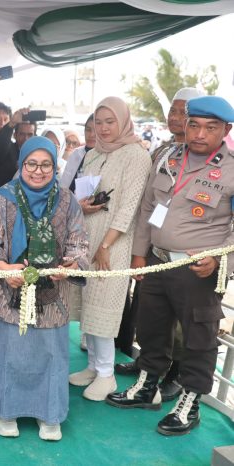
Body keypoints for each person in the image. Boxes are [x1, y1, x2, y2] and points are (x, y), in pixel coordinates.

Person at [106, 95, 234, 436]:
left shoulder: (233, 169)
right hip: (157, 263)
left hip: (198, 270)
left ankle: (190, 402)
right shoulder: (169, 157)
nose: (200, 134)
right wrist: (139, 255)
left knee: (198, 340)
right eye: (194, 125)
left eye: (211, 128)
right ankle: (147, 386)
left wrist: (222, 260)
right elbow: (149, 206)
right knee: (151, 327)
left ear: (226, 130)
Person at [0, 136, 89, 441]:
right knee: (10, 350)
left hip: (53, 294)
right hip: (8, 291)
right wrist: (2, 270)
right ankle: (6, 410)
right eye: (31, 164)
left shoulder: (67, 201)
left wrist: (71, 266)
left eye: (46, 165)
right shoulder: (1, 198)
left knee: (50, 352)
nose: (38, 171)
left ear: (55, 167)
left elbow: (79, 243)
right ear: (20, 164)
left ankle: (49, 413)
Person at [114, 87, 204, 403]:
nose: (175, 117)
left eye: (183, 112)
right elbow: (149, 201)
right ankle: (148, 366)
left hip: (190, 259)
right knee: (151, 314)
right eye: (173, 111)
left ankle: (175, 377)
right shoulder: (163, 151)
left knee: (182, 323)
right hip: (155, 247)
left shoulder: (211, 158)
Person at [68, 96, 151, 401]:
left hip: (113, 244)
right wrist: (82, 207)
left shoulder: (136, 156)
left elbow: (129, 207)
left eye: (109, 121)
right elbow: (82, 194)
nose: (103, 129)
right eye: (98, 122)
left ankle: (107, 374)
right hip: (86, 239)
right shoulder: (92, 154)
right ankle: (93, 366)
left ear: (123, 121)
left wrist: (105, 245)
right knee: (88, 303)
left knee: (104, 306)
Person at [0, 108, 36, 190]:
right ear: (15, 135)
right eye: (22, 134)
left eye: (30, 135)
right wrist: (12, 123)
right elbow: (1, 144)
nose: (26, 138)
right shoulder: (7, 151)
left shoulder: (39, 155)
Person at [60, 114, 95, 191]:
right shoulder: (77, 153)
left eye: (95, 131)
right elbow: (64, 184)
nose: (91, 135)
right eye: (88, 130)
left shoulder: (105, 156)